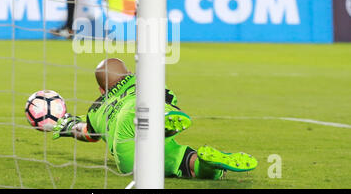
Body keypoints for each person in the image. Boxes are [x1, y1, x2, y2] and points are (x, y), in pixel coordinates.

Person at [51, 58, 258, 179]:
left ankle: (208, 167)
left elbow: (88, 134)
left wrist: (68, 126)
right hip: (134, 115)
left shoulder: (95, 109)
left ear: (101, 89)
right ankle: (164, 118)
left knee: (178, 159)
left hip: (128, 160)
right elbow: (170, 96)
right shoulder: (141, 79)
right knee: (145, 103)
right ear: (129, 72)